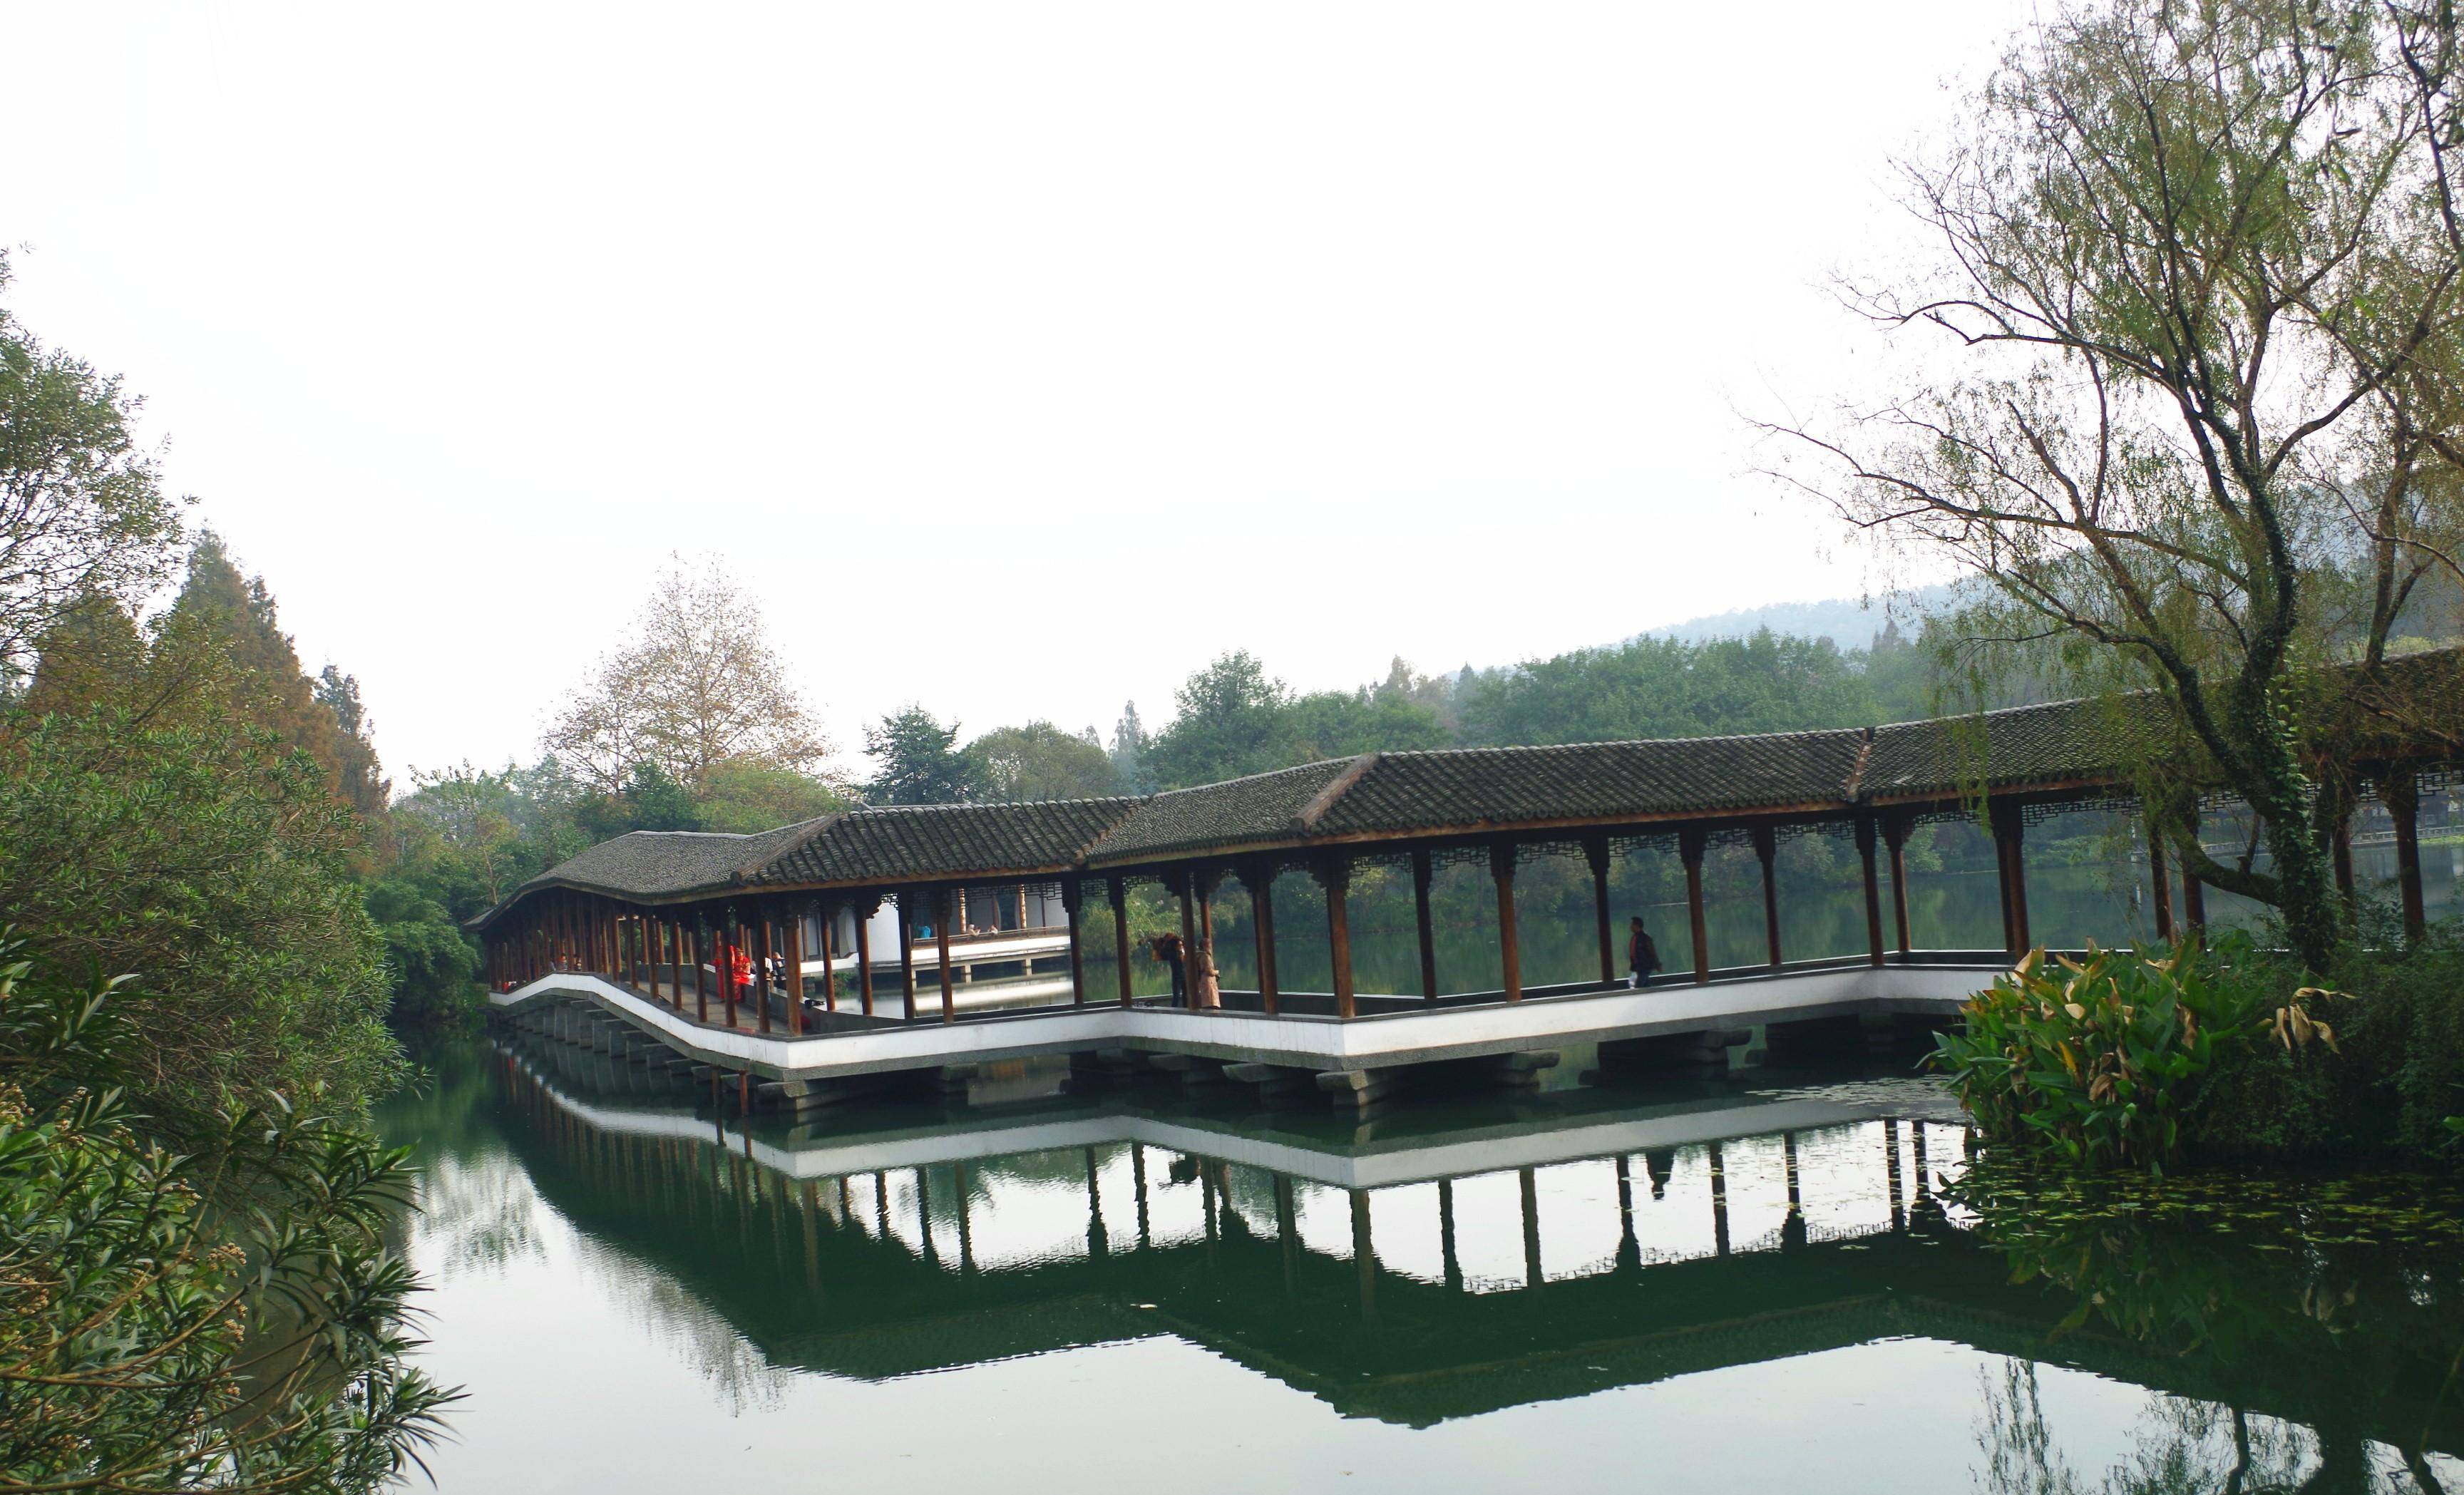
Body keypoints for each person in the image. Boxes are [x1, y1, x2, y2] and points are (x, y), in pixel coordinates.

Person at [1151, 933, 1187, 1006]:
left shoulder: (1182, 953)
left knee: (1186, 997)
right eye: (1180, 945)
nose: (1181, 946)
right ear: (1176, 946)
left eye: (1182, 945)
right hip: (1177, 978)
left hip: (1186, 977)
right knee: (1176, 997)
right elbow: (1156, 958)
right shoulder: (1172, 954)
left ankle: (1187, 1010)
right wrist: (1156, 948)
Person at [1628, 916, 1660, 989]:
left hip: (1645, 967)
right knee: (1647, 986)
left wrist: (1657, 964)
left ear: (1636, 926)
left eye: (1632, 925)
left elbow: (1652, 952)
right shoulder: (1635, 937)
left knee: (1638, 988)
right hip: (1639, 967)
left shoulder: (1645, 938)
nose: (1630, 927)